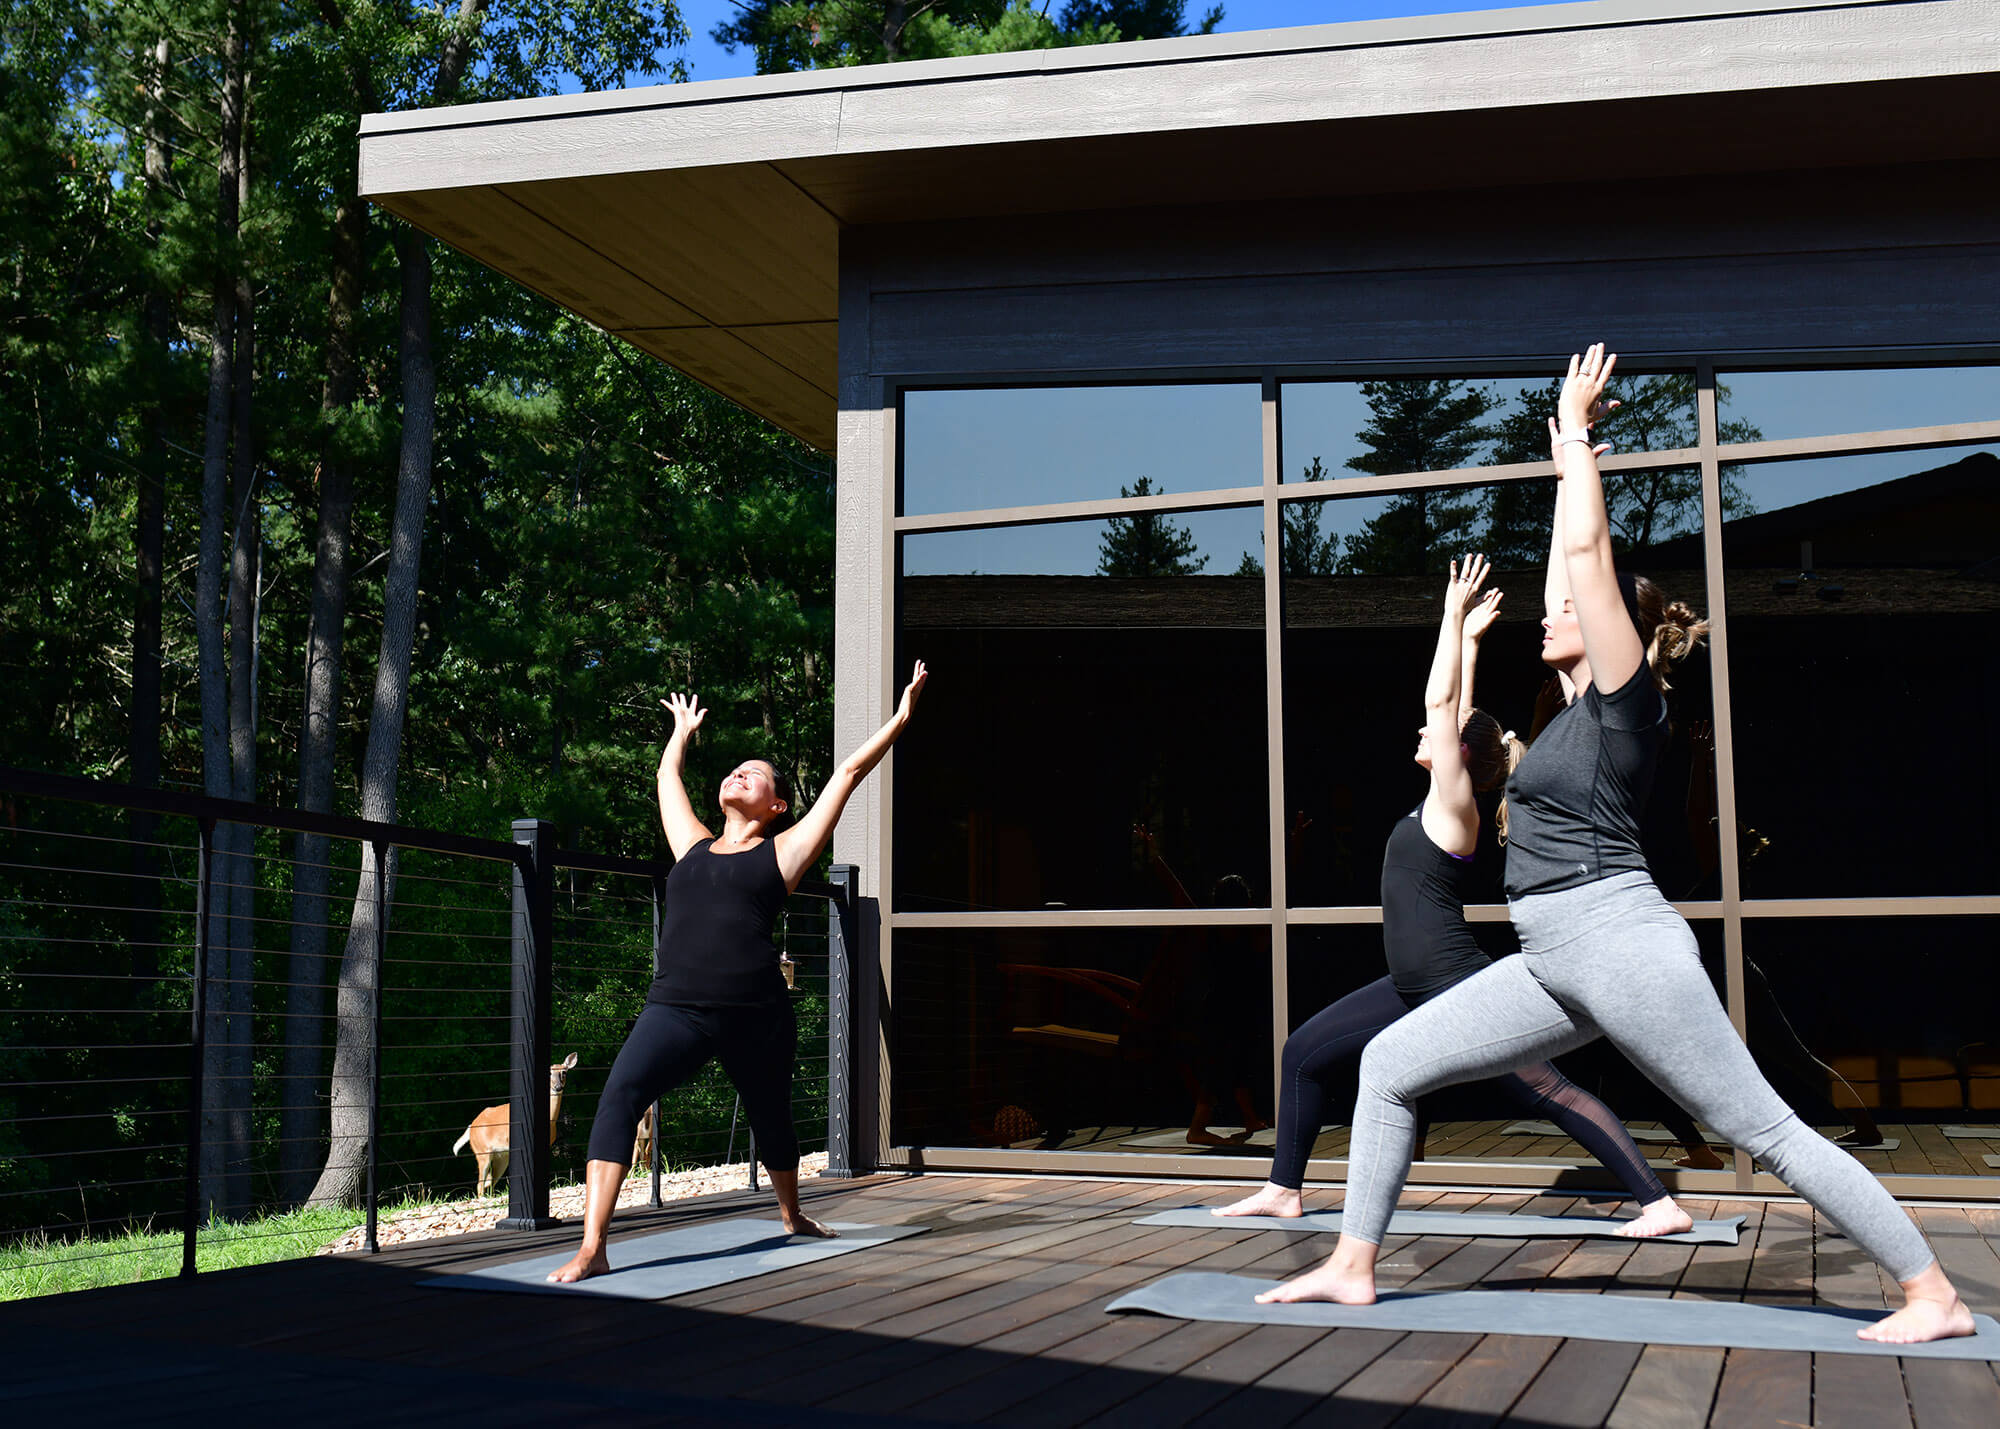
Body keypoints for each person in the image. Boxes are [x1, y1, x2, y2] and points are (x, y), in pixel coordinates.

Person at [1257, 346, 1972, 1344]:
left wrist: (1584, 437)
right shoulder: (1564, 714)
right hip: (1552, 958)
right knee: (1387, 1065)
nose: (1549, 610)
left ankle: (1928, 1291)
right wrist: (1560, 462)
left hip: (1620, 945)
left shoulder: (1630, 707)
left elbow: (1588, 565)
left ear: (1613, 637)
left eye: (1567, 612)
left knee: (1760, 1130)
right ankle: (1349, 1264)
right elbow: (1569, 560)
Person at [1214, 554, 1690, 1237]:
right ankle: (1284, 1188)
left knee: (1546, 1087)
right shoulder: (1438, 796)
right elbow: (1456, 710)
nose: (1420, 732)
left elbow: (1443, 709)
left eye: (1434, 736)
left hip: (1450, 980)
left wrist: (1449, 610)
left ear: (1460, 756)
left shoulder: (1455, 806)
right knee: (1304, 1053)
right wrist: (1466, 641)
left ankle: (1659, 1202)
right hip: (1410, 982)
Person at [547, 661, 929, 1283]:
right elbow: (668, 776)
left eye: (753, 773)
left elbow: (848, 773)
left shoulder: (786, 852)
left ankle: (791, 1213)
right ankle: (594, 1246)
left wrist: (902, 716)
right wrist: (681, 732)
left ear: (776, 804)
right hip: (674, 1008)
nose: (737, 773)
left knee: (769, 1112)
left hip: (756, 1014)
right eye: (733, 769)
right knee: (619, 1095)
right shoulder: (689, 845)